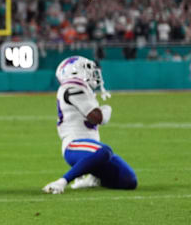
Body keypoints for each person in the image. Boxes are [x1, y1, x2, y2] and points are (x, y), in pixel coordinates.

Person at [42, 56, 137, 194]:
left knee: (129, 180)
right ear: (73, 72)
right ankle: (62, 181)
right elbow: (97, 118)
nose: (92, 73)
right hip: (74, 145)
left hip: (93, 149)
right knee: (105, 151)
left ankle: (92, 179)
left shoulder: (84, 89)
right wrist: (106, 110)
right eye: (86, 69)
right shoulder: (71, 86)